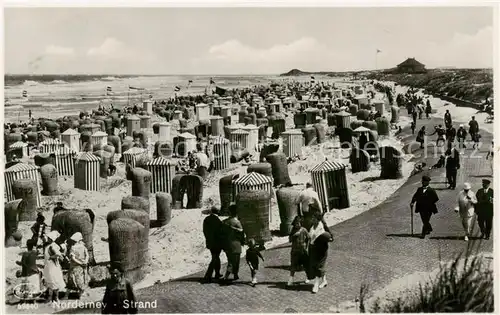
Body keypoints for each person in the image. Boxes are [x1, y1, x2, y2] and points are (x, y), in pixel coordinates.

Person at [308, 213, 330, 294]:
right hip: (313, 248)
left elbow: (327, 236)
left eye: (314, 218)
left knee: (319, 266)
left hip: (321, 249)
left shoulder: (321, 227)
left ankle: (316, 285)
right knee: (315, 265)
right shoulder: (312, 226)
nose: (312, 219)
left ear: (318, 219)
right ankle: (324, 281)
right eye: (312, 218)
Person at [222, 204, 245, 283]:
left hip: (227, 244)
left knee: (230, 260)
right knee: (235, 261)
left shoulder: (224, 222)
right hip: (236, 244)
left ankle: (231, 275)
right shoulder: (237, 222)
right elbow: (242, 233)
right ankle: (228, 276)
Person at [202, 206, 223, 283]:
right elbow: (220, 233)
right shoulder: (218, 221)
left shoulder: (206, 219)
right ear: (217, 212)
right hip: (217, 243)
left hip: (210, 242)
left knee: (215, 257)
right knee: (215, 258)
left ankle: (217, 273)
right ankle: (208, 275)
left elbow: (205, 231)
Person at [287, 216, 310, 287]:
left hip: (303, 250)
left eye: (299, 223)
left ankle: (308, 277)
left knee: (305, 265)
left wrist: (307, 247)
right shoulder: (293, 230)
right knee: (293, 266)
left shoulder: (304, 230)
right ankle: (291, 280)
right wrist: (294, 236)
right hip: (295, 251)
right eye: (296, 223)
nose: (298, 225)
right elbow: (289, 240)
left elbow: (308, 238)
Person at [43, 230, 66, 303]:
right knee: (50, 280)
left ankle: (55, 297)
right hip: (48, 265)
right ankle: (51, 297)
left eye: (49, 238)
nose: (48, 238)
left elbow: (58, 254)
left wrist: (51, 257)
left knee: (54, 280)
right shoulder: (49, 245)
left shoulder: (53, 246)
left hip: (52, 265)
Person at [67, 232, 89, 298]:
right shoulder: (83, 247)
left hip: (75, 266)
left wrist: (80, 263)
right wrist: (85, 261)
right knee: (84, 277)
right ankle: (82, 292)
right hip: (84, 265)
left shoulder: (73, 248)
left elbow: (73, 258)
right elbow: (87, 255)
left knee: (76, 279)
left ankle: (80, 292)